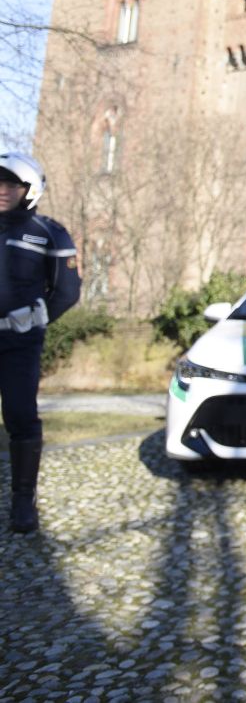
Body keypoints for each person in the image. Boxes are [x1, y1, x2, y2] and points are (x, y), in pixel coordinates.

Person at [0, 153, 80, 534]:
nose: (2, 191)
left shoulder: (49, 232)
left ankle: (22, 501)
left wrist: (34, 321)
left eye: (10, 185)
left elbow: (66, 292)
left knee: (19, 415)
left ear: (29, 190)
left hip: (19, 342)